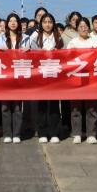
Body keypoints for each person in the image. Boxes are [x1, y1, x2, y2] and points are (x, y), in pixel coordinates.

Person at [28, 12, 63, 143]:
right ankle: (42, 132)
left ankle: (54, 132)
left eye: (50, 22)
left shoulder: (58, 37)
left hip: (54, 76)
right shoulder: (36, 37)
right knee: (41, 105)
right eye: (45, 22)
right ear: (41, 24)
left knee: (54, 105)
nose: (47, 25)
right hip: (40, 76)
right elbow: (28, 51)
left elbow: (65, 54)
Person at [66, 18, 97, 144]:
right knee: (76, 108)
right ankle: (77, 133)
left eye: (85, 26)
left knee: (91, 108)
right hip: (76, 79)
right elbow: (67, 58)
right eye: (81, 26)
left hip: (91, 79)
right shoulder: (72, 43)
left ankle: (91, 134)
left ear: (89, 28)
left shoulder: (94, 42)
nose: (83, 28)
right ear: (77, 28)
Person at [0, 13, 27, 143]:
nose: (13, 23)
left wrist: (28, 50)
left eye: (15, 21)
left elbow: (35, 53)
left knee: (17, 107)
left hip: (19, 75)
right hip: (5, 75)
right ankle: (7, 134)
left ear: (18, 23)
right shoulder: (1, 37)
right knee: (5, 106)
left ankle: (17, 134)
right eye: (10, 21)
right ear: (7, 23)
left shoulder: (25, 37)